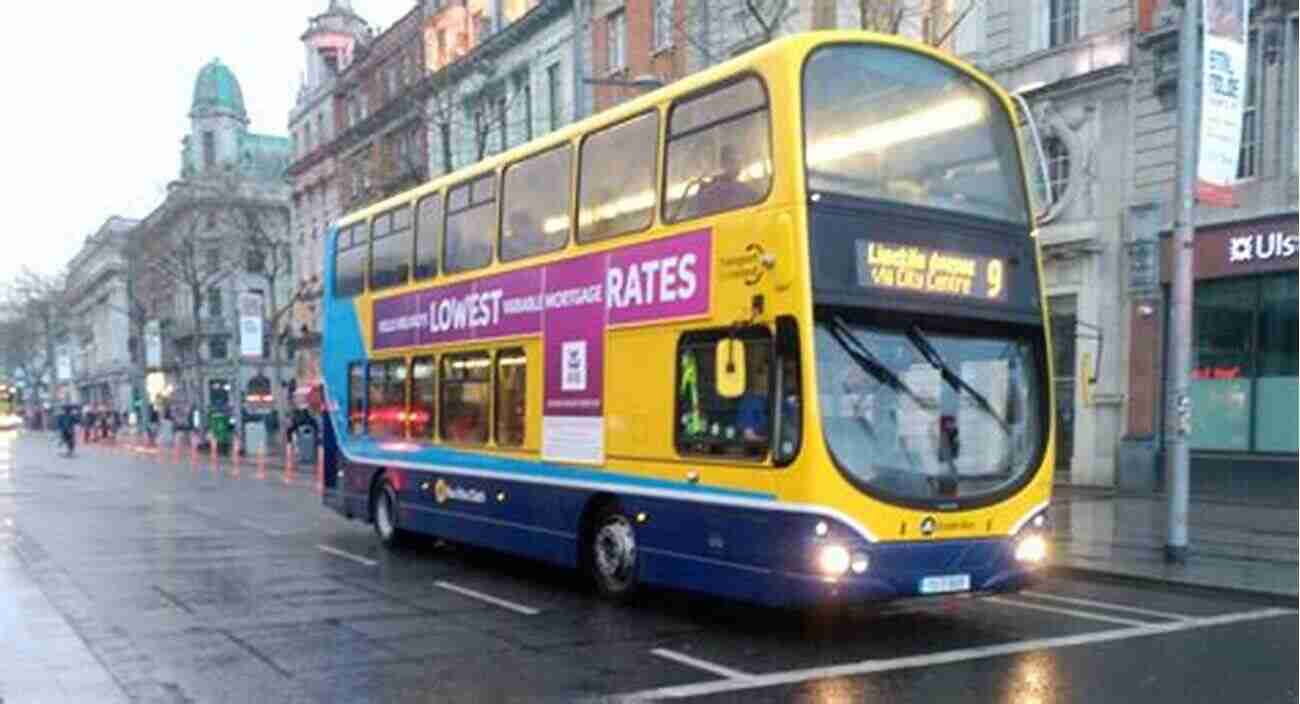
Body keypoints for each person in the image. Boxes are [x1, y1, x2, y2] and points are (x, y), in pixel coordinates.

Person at [689, 144, 760, 219]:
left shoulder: (747, 189)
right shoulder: (709, 191)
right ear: (723, 164)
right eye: (732, 161)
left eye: (739, 161)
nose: (737, 165)